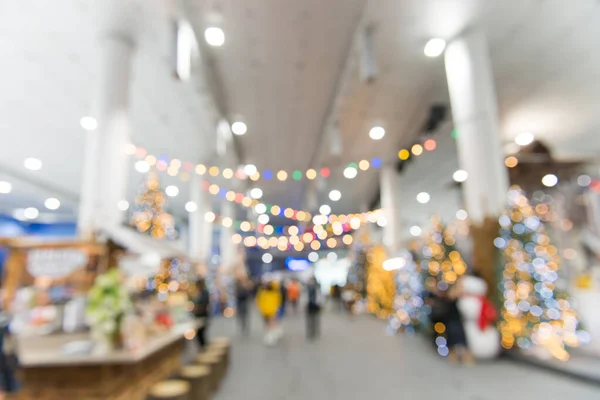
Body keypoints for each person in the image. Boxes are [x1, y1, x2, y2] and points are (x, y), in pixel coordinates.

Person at [256, 280, 282, 345]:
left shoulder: (275, 293)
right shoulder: (263, 292)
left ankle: (271, 334)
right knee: (267, 323)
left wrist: (277, 308)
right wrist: (260, 308)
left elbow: (278, 301)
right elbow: (259, 301)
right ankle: (270, 333)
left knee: (271, 323)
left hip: (272, 311)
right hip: (265, 311)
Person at [192, 279, 210, 350]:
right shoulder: (199, 293)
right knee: (200, 335)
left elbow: (203, 306)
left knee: (201, 334)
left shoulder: (204, 293)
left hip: (203, 316)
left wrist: (196, 310)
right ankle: (203, 349)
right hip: (199, 316)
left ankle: (204, 350)